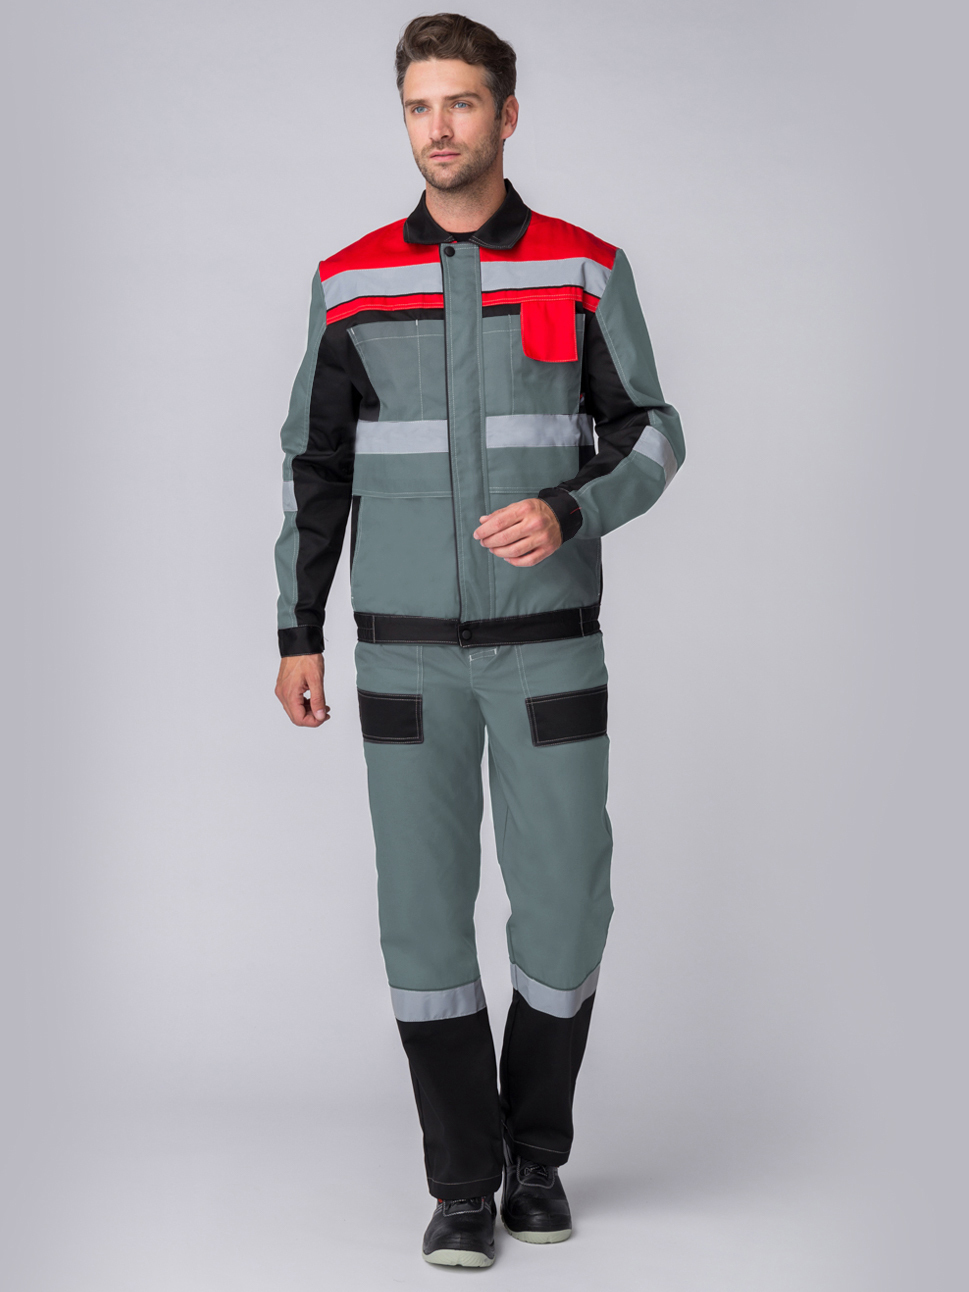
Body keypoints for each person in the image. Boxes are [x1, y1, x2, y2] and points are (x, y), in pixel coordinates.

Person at [273, 12, 684, 1269]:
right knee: (422, 920)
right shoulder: (350, 280)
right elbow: (315, 465)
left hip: (550, 645)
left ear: (508, 114)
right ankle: (462, 1183)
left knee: (566, 906)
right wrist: (298, 629)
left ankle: (535, 1156)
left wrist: (569, 508)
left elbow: (653, 432)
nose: (437, 127)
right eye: (418, 105)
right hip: (402, 656)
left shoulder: (583, 268)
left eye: (460, 102)